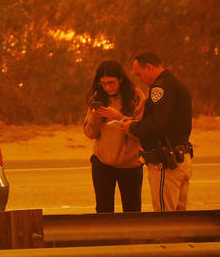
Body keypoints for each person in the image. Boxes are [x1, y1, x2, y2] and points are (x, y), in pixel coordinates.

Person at [122, 52, 193, 211]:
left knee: (164, 220)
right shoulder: (177, 85)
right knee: (181, 219)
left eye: (139, 74)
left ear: (149, 67)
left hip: (166, 164)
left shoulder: (160, 88)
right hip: (182, 158)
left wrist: (132, 127)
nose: (139, 79)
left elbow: (156, 125)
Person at [82, 60, 146, 212]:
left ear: (121, 79)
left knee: (132, 210)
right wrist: (95, 117)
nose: (108, 87)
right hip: (102, 163)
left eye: (111, 83)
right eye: (103, 83)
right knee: (103, 210)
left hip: (130, 164)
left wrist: (118, 117)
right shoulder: (98, 97)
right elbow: (90, 134)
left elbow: (142, 131)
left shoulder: (136, 96)